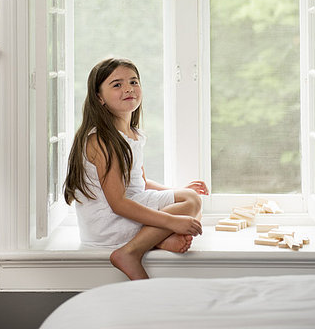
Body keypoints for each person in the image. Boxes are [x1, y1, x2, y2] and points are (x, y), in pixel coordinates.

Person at [64, 57, 209, 280]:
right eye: (117, 84)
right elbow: (119, 203)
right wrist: (172, 220)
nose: (128, 89)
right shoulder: (103, 140)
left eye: (133, 82)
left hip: (124, 211)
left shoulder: (131, 134)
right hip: (108, 224)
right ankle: (130, 251)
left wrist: (173, 192)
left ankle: (157, 240)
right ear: (99, 97)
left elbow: (139, 182)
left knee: (190, 202)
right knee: (191, 205)